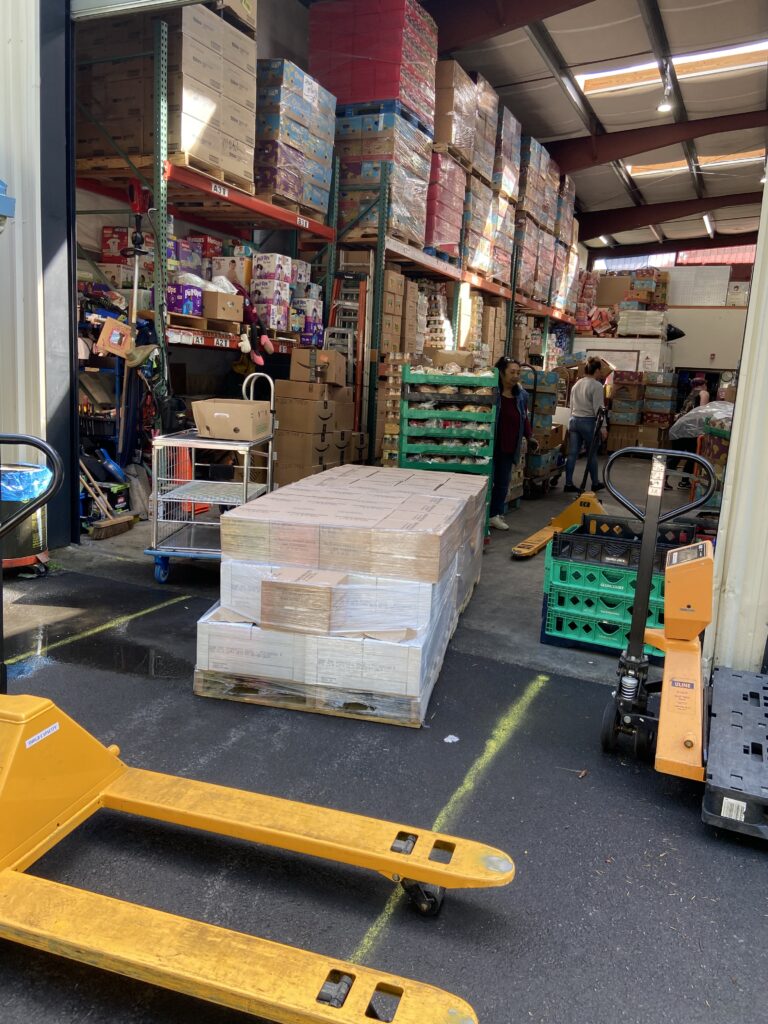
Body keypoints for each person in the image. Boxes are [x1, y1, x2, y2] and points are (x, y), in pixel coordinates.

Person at [489, 356, 537, 531]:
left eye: (518, 373)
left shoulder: (521, 395)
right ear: (501, 373)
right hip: (491, 443)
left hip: (510, 445)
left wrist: (529, 435)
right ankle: (481, 515)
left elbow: (523, 417)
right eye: (512, 372)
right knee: (486, 481)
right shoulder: (492, 391)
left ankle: (495, 515)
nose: (516, 376)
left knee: (503, 481)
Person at [564, 357, 606, 493]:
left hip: (574, 421)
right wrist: (603, 427)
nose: (601, 373)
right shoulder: (597, 385)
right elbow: (599, 409)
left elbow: (571, 405)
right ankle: (595, 483)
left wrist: (570, 421)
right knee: (592, 454)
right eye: (601, 370)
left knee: (572, 454)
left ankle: (568, 483)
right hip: (588, 422)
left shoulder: (577, 384)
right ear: (597, 370)